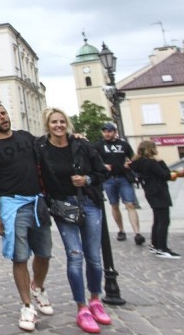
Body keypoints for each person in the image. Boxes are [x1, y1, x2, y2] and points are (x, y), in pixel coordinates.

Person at [0, 103, 53, 332]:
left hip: (37, 201)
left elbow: (47, 151)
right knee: (19, 257)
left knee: (44, 253)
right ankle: (27, 306)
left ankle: (38, 287)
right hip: (12, 204)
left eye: (4, 113)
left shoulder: (26, 137)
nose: (3, 117)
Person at [37, 108, 110, 334]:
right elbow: (19, 145)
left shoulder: (82, 145)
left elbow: (102, 172)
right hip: (63, 206)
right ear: (47, 125)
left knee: (94, 257)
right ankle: (82, 307)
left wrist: (86, 179)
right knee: (75, 255)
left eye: (61, 122)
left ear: (67, 124)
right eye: (53, 122)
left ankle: (96, 300)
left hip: (88, 201)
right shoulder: (40, 147)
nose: (58, 125)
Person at [95, 122, 144, 245]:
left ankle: (137, 233)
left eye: (110, 131)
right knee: (114, 205)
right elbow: (94, 160)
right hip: (108, 179)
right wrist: (102, 166)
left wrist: (131, 163)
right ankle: (121, 230)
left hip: (123, 178)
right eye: (105, 131)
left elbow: (133, 157)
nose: (107, 133)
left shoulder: (123, 145)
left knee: (130, 204)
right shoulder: (98, 145)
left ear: (115, 132)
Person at [130, 141, 180, 258]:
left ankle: (155, 244)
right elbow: (165, 175)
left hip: (150, 192)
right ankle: (162, 248)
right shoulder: (151, 163)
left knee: (157, 219)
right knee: (164, 220)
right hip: (159, 192)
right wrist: (161, 162)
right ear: (151, 149)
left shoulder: (138, 162)